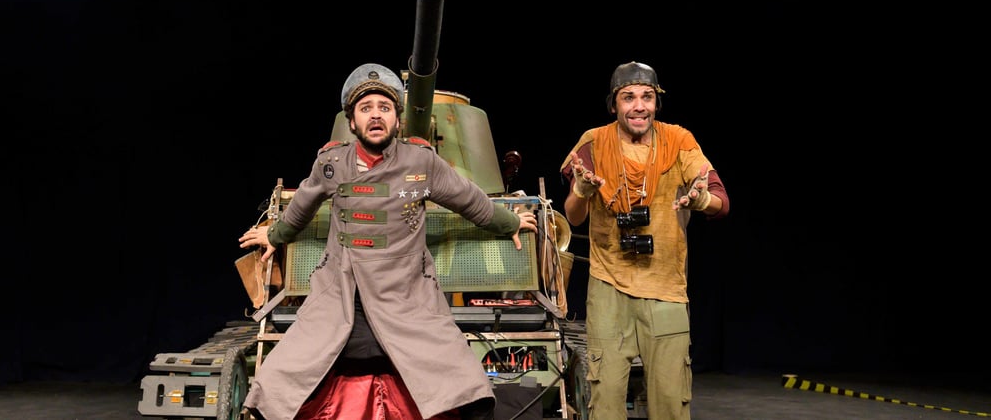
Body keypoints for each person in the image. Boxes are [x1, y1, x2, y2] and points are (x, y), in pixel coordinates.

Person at [239, 62, 538, 420]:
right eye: (366, 109)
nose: (376, 116)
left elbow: (469, 199)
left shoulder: (421, 161)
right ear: (352, 122)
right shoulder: (332, 163)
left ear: (397, 118)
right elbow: (302, 204)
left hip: (406, 291)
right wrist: (274, 235)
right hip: (343, 291)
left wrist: (510, 222)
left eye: (384, 108)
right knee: (275, 384)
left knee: (468, 387)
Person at [559, 61, 730, 419]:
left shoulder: (679, 141)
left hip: (665, 287)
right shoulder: (594, 142)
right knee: (605, 401)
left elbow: (720, 202)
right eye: (629, 97)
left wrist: (701, 200)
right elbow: (574, 216)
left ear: (657, 103)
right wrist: (581, 189)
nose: (639, 106)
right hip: (609, 286)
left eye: (647, 97)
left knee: (670, 401)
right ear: (614, 105)